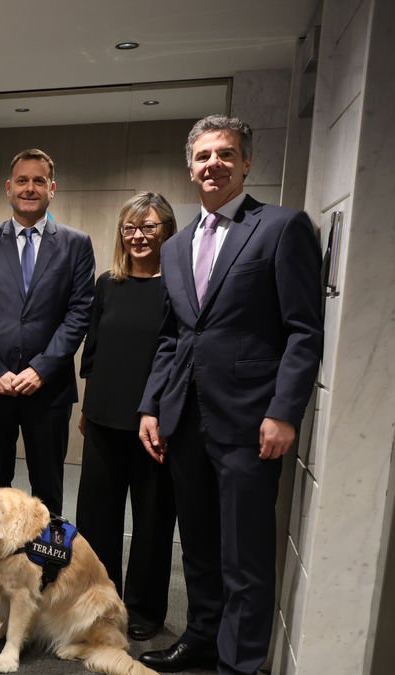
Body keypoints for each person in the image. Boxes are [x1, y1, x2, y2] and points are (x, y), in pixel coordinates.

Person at [138, 115, 323, 674]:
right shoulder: (176, 247)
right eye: (203, 156)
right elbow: (174, 336)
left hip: (250, 422)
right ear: (189, 167)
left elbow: (303, 330)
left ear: (246, 163)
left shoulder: (282, 228)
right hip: (184, 417)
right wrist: (151, 404)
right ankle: (201, 635)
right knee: (196, 544)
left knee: (244, 555)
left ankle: (238, 664)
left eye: (226, 154)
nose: (213, 163)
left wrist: (284, 412)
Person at [0, 148, 95, 516]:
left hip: (48, 390)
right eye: (22, 180)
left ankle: (45, 571)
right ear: (9, 188)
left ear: (52, 188)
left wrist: (41, 369)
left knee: (47, 490)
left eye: (39, 181)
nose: (30, 188)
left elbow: (79, 312)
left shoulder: (76, 244)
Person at [75, 192, 178, 643]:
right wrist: (87, 407)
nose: (138, 236)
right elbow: (92, 352)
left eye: (149, 227)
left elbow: (176, 357)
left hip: (153, 423)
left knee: (153, 521)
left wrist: (159, 412)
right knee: (97, 518)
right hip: (102, 419)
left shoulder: (179, 288)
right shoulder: (106, 284)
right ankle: (100, 599)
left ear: (166, 232)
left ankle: (144, 608)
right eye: (131, 228)